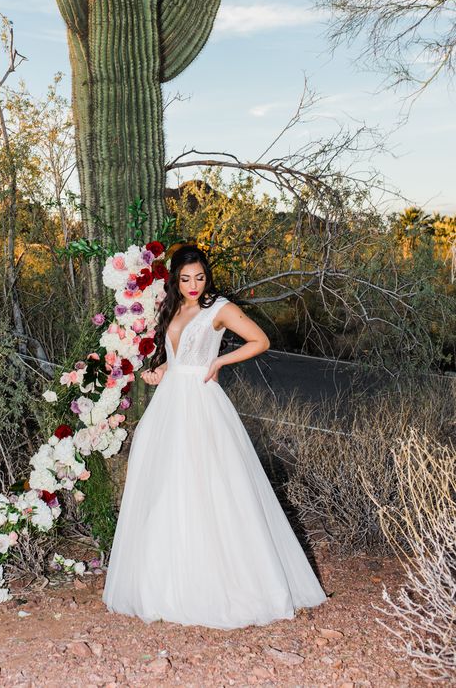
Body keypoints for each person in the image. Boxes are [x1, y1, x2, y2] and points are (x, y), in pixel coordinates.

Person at [102, 244, 327, 629]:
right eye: (186, 279)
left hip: (202, 405)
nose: (193, 285)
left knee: (211, 485)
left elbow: (260, 340)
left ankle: (226, 582)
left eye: (200, 277)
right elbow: (175, 359)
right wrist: (160, 373)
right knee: (166, 485)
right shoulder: (173, 307)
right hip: (169, 404)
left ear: (208, 277)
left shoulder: (218, 308)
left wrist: (220, 360)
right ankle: (163, 581)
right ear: (175, 279)